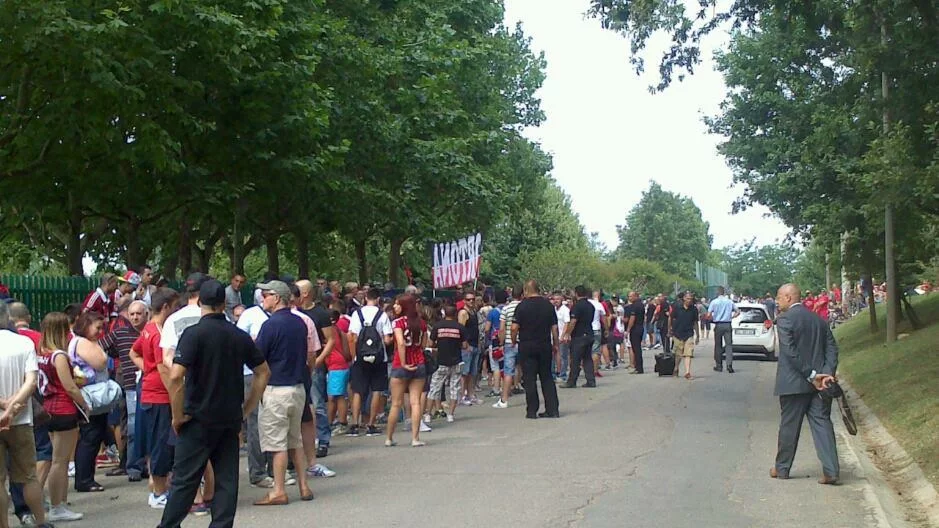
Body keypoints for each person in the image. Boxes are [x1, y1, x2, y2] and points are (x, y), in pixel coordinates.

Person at [158, 280, 271, 527]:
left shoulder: (193, 334)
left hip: (196, 417)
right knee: (226, 480)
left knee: (185, 481)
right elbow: (263, 371)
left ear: (200, 303)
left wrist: (177, 415)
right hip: (229, 417)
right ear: (224, 305)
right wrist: (248, 407)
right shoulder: (238, 335)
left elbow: (176, 376)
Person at [252, 280, 314, 505]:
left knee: (276, 443)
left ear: (277, 298)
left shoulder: (270, 325)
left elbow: (258, 358)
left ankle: (278, 490)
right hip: (297, 388)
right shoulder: (300, 323)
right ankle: (304, 485)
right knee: (294, 440)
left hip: (276, 389)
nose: (262, 298)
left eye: (266, 294)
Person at [771, 284, 840, 485]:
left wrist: (811, 375)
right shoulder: (819, 320)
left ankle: (782, 468)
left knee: (789, 427)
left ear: (788, 297)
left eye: (779, 297)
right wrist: (826, 374)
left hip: (794, 383)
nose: (777, 301)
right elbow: (832, 349)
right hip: (820, 386)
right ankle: (831, 470)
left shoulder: (784, 320)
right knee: (822, 425)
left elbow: (790, 351)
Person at [160, 273, 215, 514]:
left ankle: (196, 497)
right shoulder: (216, 318)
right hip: (214, 387)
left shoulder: (174, 319)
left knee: (190, 445)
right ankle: (211, 493)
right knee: (214, 444)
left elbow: (166, 357)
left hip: (187, 387)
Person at [0, 302, 52, 528]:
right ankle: (40, 522)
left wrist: (3, 405)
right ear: (7, 317)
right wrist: (14, 405)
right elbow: (31, 381)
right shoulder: (23, 343)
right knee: (29, 477)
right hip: (21, 420)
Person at [131, 287, 179, 508]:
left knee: (157, 441)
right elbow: (162, 367)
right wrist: (175, 394)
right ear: (166, 307)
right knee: (162, 443)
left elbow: (134, 352)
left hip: (150, 392)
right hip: (160, 395)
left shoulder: (148, 329)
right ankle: (159, 491)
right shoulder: (159, 334)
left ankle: (158, 485)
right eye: (175, 306)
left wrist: (145, 369)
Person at [37, 312, 87, 522]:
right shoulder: (59, 356)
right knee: (61, 461)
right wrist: (84, 403)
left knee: (57, 459)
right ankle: (57, 505)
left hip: (48, 407)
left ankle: (58, 502)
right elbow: (69, 386)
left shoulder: (42, 353)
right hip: (64, 409)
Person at [100, 299, 148, 478]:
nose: (135, 317)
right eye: (132, 314)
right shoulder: (120, 333)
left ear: (146, 314)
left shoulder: (150, 332)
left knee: (145, 427)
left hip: (148, 384)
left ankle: (143, 465)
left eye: (138, 314)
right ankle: (133, 467)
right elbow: (100, 348)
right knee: (132, 427)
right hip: (128, 385)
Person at [69, 311, 111, 493]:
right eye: (97, 328)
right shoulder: (82, 342)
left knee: (94, 435)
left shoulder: (83, 342)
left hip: (92, 394)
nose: (100, 332)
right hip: (89, 395)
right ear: (86, 325)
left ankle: (86, 477)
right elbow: (101, 362)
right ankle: (84, 479)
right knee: (90, 436)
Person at [346, 287, 394, 438]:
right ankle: (371, 424)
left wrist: (355, 355)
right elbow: (387, 339)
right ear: (378, 299)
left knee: (358, 391)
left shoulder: (356, 314)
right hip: (379, 359)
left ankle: (354, 424)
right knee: (376, 390)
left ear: (366, 298)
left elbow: (352, 336)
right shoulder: (383, 315)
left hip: (360, 358)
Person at [296, 282, 335, 459]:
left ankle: (323, 439)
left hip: (315, 364)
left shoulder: (320, 314)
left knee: (317, 402)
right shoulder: (294, 313)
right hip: (297, 364)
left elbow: (331, 339)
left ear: (305, 294)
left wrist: (319, 360)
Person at [512, 280, 560, 419]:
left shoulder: (522, 306)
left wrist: (513, 340)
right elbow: (554, 328)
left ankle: (532, 410)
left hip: (527, 345)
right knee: (546, 377)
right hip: (544, 344)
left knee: (529, 378)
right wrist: (555, 343)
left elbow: (514, 327)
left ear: (526, 290)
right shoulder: (548, 306)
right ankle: (552, 409)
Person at [386, 294, 428, 447]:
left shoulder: (397, 323)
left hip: (400, 365)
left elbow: (401, 343)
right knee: (415, 402)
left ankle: (389, 437)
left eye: (397, 304)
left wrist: (403, 362)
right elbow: (424, 344)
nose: (395, 307)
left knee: (396, 403)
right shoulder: (421, 323)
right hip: (418, 362)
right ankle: (415, 438)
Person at [428, 305, 467, 422]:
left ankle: (428, 414)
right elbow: (465, 345)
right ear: (455, 314)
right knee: (454, 389)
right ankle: (450, 415)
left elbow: (430, 343)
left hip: (441, 361)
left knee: (434, 388)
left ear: (445, 313)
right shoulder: (460, 328)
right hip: (456, 361)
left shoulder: (437, 326)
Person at [563, 286, 597, 388]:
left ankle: (571, 381)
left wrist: (568, 333)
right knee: (587, 358)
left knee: (575, 359)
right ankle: (591, 380)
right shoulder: (590, 306)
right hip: (589, 333)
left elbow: (573, 321)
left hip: (579, 335)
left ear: (576, 293)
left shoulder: (577, 306)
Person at [493, 287, 521, 408]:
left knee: (508, 371)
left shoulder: (506, 309)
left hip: (509, 342)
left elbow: (502, 328)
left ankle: (504, 399)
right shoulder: (525, 307)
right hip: (524, 342)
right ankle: (518, 386)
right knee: (522, 368)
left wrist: (501, 342)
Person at [457, 291, 481, 405]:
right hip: (467, 346)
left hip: (475, 344)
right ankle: (463, 395)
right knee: (465, 373)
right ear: (464, 301)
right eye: (468, 299)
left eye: (472, 299)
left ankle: (471, 394)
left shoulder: (474, 311)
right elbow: (461, 330)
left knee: (473, 372)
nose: (471, 301)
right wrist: (464, 344)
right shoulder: (463, 313)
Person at [708, 286, 738, 374]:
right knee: (729, 345)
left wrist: (712, 318)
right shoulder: (729, 301)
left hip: (718, 324)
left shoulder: (714, 302)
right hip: (727, 324)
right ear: (724, 292)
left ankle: (719, 365)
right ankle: (729, 365)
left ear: (717, 293)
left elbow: (709, 314)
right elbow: (738, 311)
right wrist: (732, 316)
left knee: (718, 345)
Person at [669, 292, 699, 379]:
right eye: (688, 299)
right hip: (677, 333)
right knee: (678, 354)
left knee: (688, 354)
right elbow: (670, 318)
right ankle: (676, 368)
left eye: (691, 299)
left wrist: (698, 335)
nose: (689, 300)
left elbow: (695, 322)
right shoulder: (677, 308)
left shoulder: (694, 309)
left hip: (689, 333)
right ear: (684, 299)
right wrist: (669, 329)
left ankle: (687, 372)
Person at [623, 291, 645, 374]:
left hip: (635, 328)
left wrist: (628, 329)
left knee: (636, 349)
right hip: (640, 327)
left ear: (636, 296)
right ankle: (638, 366)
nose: (629, 298)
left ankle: (639, 368)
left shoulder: (634, 306)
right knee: (637, 348)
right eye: (628, 296)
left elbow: (632, 318)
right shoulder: (641, 305)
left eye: (631, 296)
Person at [553, 293, 571, 381]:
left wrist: (563, 336)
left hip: (562, 336)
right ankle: (557, 372)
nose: (556, 301)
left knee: (563, 356)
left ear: (562, 300)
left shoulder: (565, 310)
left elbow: (567, 323)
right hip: (554, 336)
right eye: (554, 299)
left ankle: (563, 375)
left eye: (558, 299)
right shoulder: (554, 309)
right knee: (556, 355)